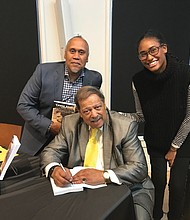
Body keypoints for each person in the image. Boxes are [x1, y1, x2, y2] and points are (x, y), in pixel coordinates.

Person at [41, 86, 154, 220]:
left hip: (129, 187)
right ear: (80, 113)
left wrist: (104, 175)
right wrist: (53, 168)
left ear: (104, 105)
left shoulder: (125, 125)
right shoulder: (70, 123)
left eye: (98, 107)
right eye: (87, 111)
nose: (94, 114)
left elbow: (139, 167)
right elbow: (50, 151)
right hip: (83, 188)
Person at [132, 29, 190, 220]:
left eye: (153, 50)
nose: (149, 57)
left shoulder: (185, 74)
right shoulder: (138, 81)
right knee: (156, 182)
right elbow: (141, 116)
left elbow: (189, 117)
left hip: (182, 141)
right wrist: (111, 116)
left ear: (164, 48)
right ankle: (154, 216)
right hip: (155, 141)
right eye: (143, 54)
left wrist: (174, 147)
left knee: (177, 186)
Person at [17, 36, 102, 156]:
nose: (76, 56)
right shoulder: (43, 72)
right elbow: (23, 106)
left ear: (87, 58)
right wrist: (50, 126)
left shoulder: (94, 79)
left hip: (70, 147)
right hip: (37, 142)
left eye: (81, 52)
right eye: (72, 51)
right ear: (65, 54)